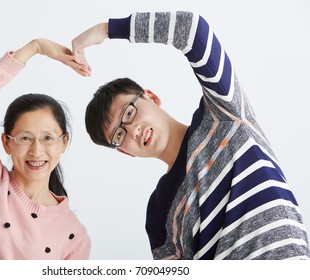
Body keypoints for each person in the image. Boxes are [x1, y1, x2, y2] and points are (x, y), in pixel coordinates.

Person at [72, 11, 310, 259]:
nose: (132, 130)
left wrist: (106, 29)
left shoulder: (222, 113)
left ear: (151, 97)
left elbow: (191, 30)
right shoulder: (157, 214)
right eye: (119, 135)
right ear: (124, 151)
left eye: (129, 113)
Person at [0, 39, 91, 259]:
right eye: (25, 138)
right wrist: (35, 48)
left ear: (64, 142)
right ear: (7, 143)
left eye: (48, 137)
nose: (37, 150)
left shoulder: (75, 237)